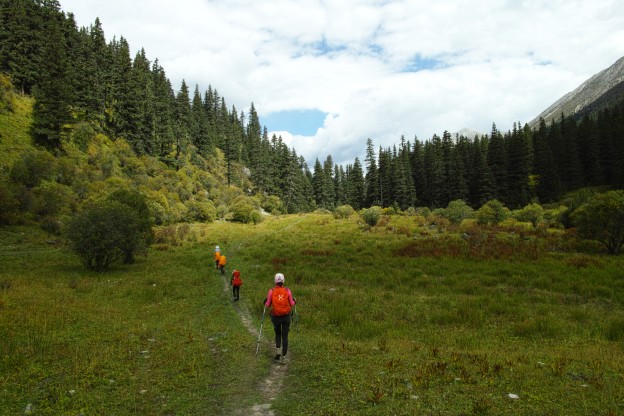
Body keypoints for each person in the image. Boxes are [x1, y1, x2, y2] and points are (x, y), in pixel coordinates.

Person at [264, 273, 296, 363]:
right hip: (286, 317)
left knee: (278, 334)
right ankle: (284, 358)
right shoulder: (287, 290)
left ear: (275, 281)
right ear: (283, 280)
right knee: (285, 336)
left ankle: (278, 353)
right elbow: (292, 303)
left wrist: (265, 302)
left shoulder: (271, 291)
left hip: (276, 317)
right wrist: (295, 301)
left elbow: (268, 304)